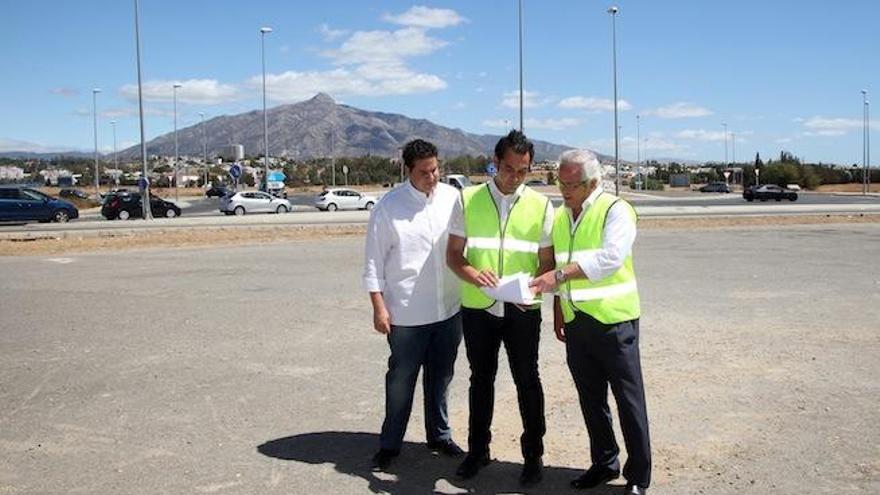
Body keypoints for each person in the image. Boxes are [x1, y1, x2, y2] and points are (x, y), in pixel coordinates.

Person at [529, 149, 651, 495]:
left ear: (593, 182)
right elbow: (559, 261)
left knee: (629, 401)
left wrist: (560, 275)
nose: (564, 190)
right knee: (591, 399)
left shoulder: (616, 210)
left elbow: (611, 258)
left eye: (572, 184)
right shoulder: (562, 215)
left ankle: (638, 477)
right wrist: (558, 310)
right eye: (560, 182)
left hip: (614, 323)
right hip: (577, 322)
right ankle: (604, 463)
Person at [446, 130, 554, 486]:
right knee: (481, 380)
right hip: (479, 308)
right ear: (495, 162)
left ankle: (533, 455)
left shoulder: (540, 206)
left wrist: (532, 287)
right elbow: (454, 256)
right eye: (508, 168)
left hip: (523, 309)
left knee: (528, 380)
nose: (514, 177)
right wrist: (476, 274)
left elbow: (546, 262)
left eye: (522, 170)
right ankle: (478, 451)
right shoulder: (468, 198)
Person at [362, 139, 464, 471]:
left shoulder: (452, 199)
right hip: (406, 314)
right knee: (401, 380)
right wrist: (379, 307)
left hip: (448, 310)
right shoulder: (388, 207)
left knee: (442, 377)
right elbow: (374, 264)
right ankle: (390, 444)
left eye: (436, 169)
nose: (432, 177)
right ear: (408, 170)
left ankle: (439, 435)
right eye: (424, 172)